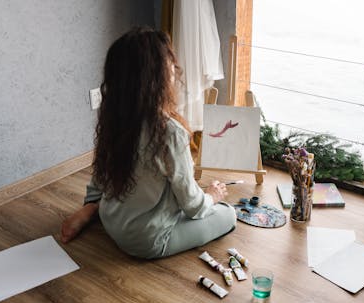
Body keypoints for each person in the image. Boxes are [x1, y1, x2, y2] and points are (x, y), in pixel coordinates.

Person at [60, 27, 236, 259]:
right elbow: (192, 206)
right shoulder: (169, 131)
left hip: (110, 217)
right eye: (169, 62)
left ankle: (92, 207)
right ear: (158, 75)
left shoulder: (114, 114)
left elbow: (101, 170)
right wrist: (213, 196)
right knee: (228, 214)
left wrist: (93, 199)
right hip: (145, 240)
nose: (174, 68)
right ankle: (101, 210)